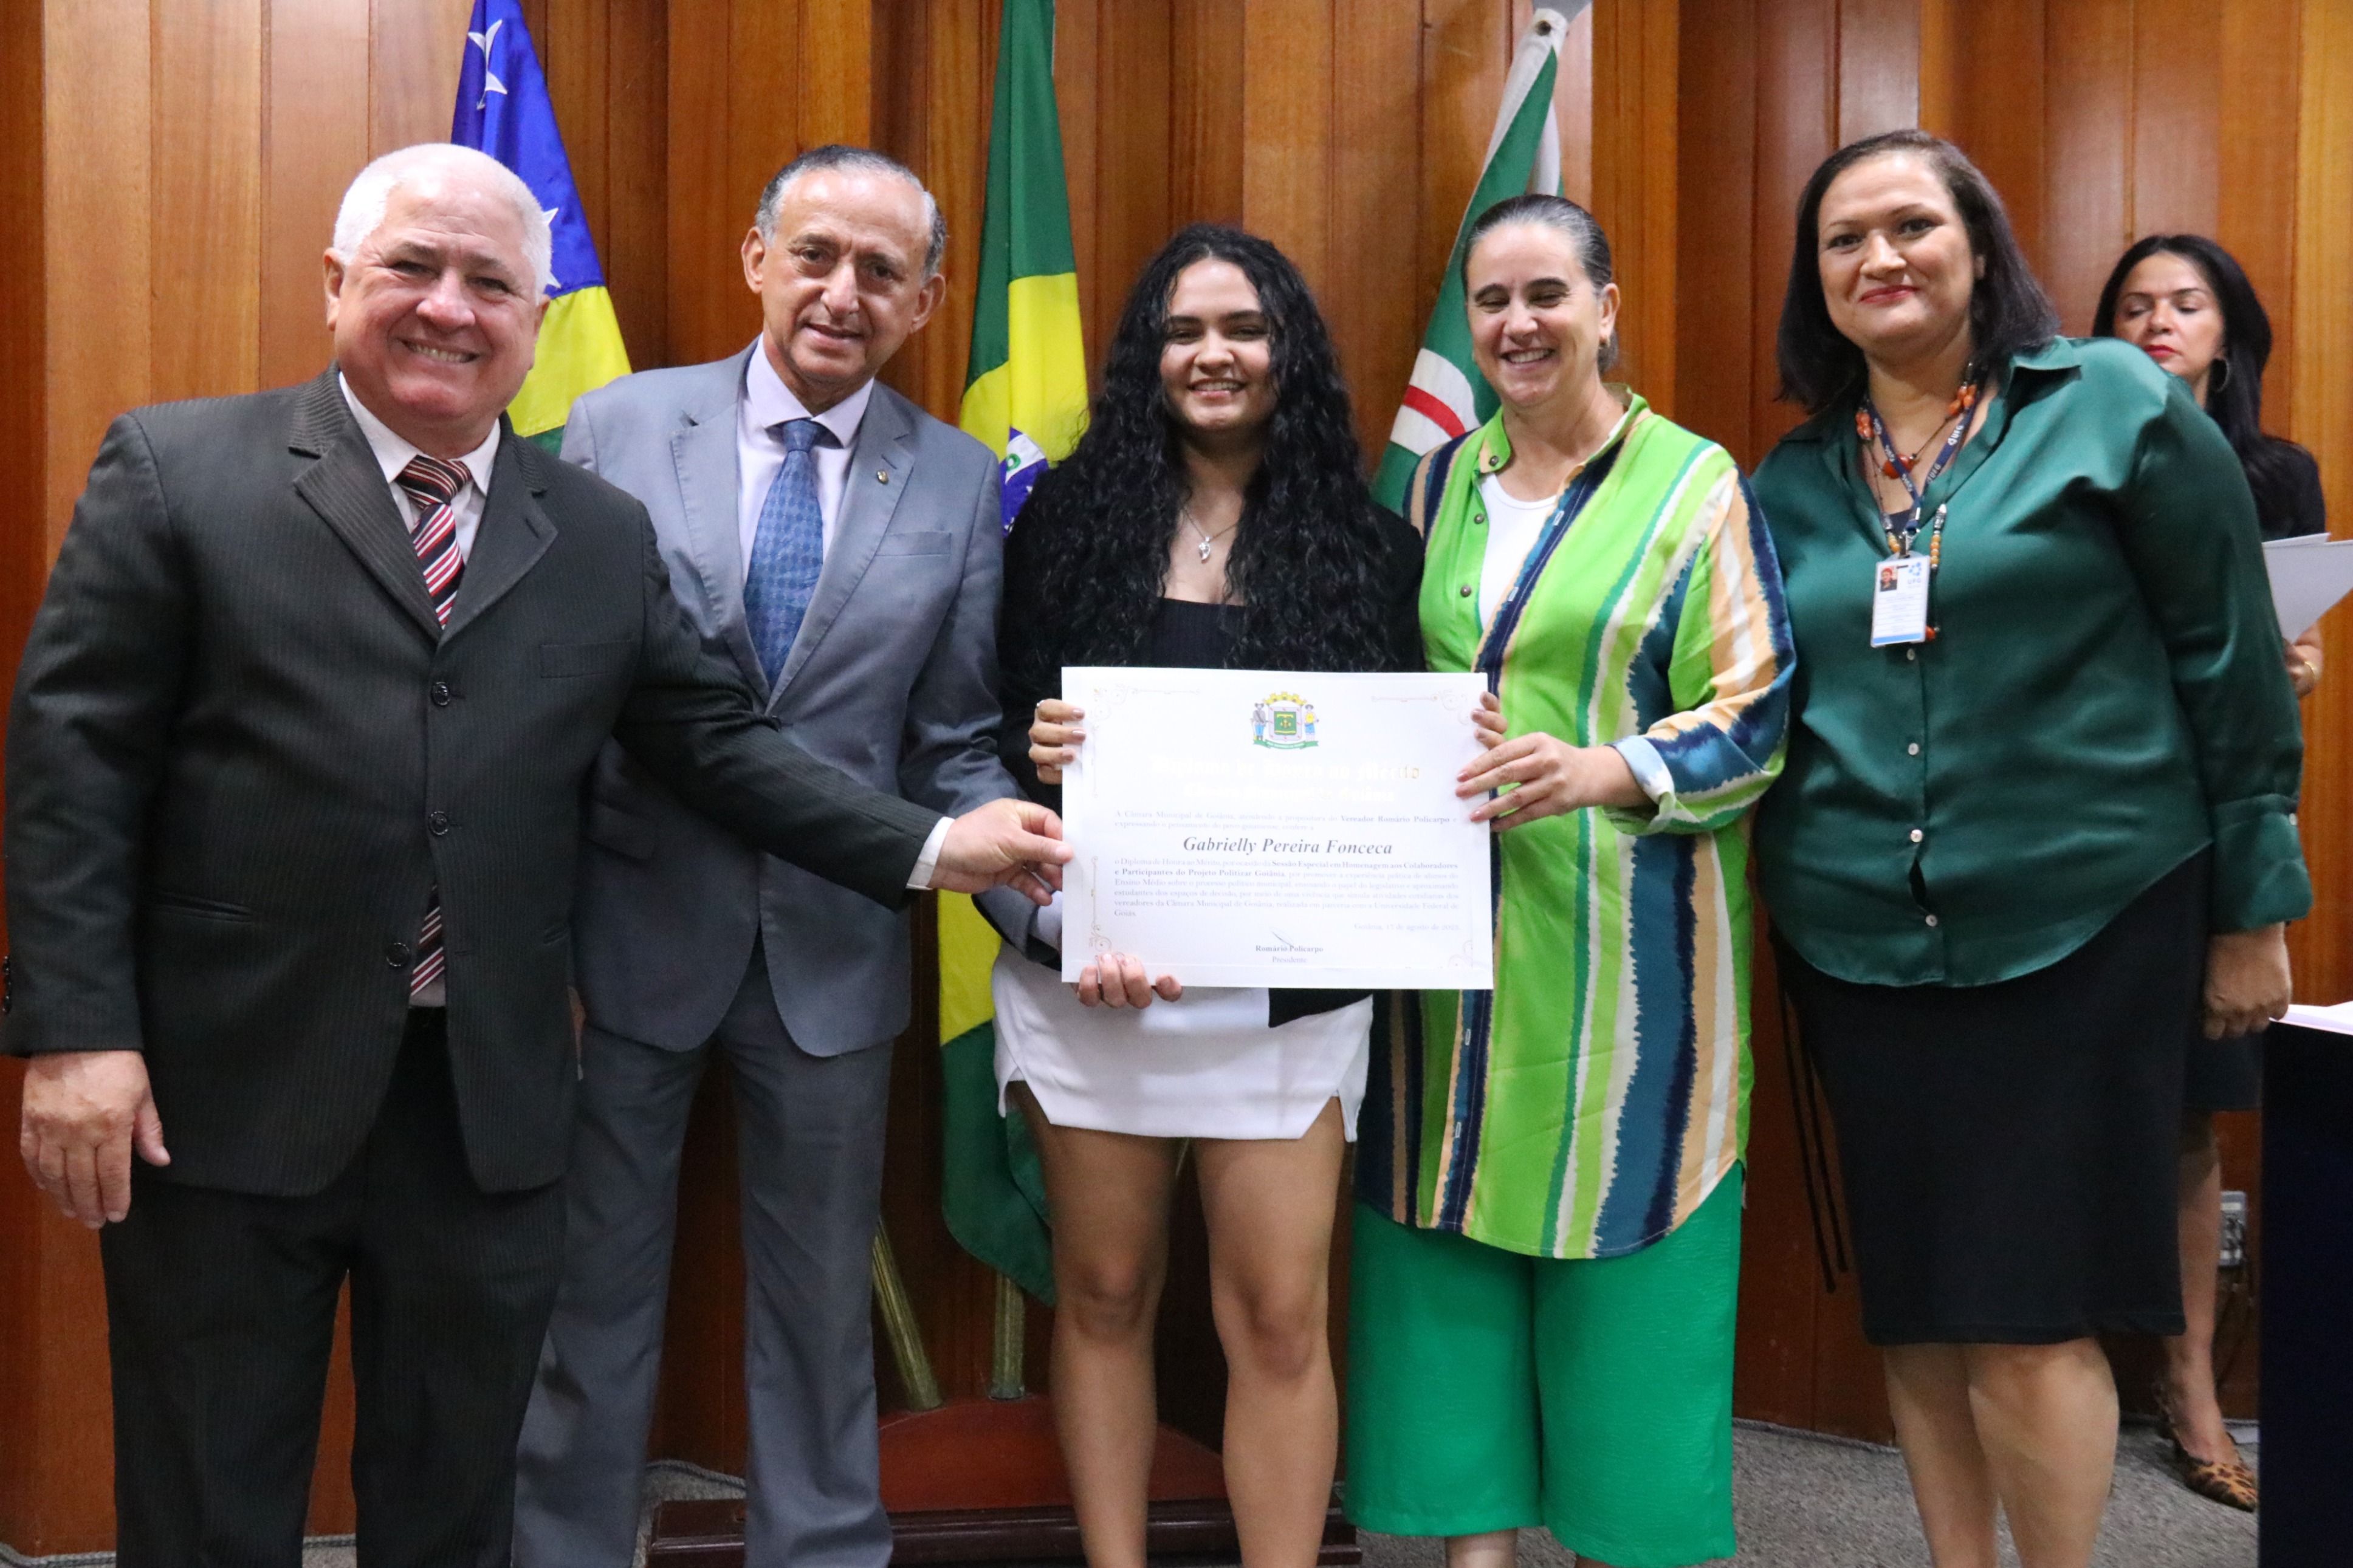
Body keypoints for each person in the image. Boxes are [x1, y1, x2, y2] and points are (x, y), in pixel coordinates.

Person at [4, 142, 1065, 1568]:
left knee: (457, 1500)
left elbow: (716, 744)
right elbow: (75, 770)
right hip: (234, 1085)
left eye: (490, 283)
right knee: (212, 1496)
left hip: (481, 1105)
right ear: (336, 283)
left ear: (533, 316)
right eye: (413, 267)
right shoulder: (179, 470)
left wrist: (935, 843)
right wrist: (79, 1031)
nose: (450, 307)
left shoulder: (593, 532)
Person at [1751, 131, 2308, 1568]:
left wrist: (2254, 909)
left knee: (2028, 1310)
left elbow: (2230, 656)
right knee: (1920, 1306)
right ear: (1815, 282)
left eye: (1910, 225)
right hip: (1859, 937)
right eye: (1842, 239)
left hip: (2083, 920)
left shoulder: (2109, 403)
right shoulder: (1791, 478)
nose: (1878, 257)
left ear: (1980, 246)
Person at [509, 145, 1026, 1567]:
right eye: (814, 255)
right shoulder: (616, 426)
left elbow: (953, 739)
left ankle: (822, 1551)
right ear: (756, 260)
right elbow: (551, 702)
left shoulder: (959, 479)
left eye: (881, 270)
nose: (841, 292)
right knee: (589, 1296)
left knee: (817, 1309)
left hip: (834, 949)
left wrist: (1027, 859)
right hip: (624, 939)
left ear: (927, 300)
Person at [1346, 194, 1795, 1568]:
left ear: (1605, 307)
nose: (1516, 324)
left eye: (1545, 294)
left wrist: (1604, 768)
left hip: (1630, 965)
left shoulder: (1695, 484)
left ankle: (1625, 1540)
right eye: (1491, 301)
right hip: (1442, 964)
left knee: (1629, 1288)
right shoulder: (1430, 484)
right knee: (1448, 1269)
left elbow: (1760, 708)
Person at [1003, 224, 1421, 1568]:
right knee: (1104, 1291)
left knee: (1283, 1318)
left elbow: (1393, 784)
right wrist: (1037, 751)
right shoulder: (1063, 525)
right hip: (1096, 980)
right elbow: (994, 743)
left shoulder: (1368, 544)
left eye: (1243, 327)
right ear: (1147, 357)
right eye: (1183, 330)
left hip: (1283, 1002)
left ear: (1288, 350)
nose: (1213, 353)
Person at [2093, 231, 2323, 1512]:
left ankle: (2188, 1396)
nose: (2158, 323)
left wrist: (2296, 669)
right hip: (2085, 818)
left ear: (2227, 333)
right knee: (2065, 1105)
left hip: (2211, 823)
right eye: (2133, 306)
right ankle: (2050, 1375)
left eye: (2184, 304)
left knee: (2190, 1118)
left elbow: (2287, 659)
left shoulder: (2274, 474)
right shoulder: (2066, 458)